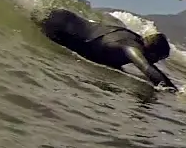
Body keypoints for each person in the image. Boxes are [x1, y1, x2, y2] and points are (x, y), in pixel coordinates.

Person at [37, 8, 177, 91]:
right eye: (158, 59)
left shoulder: (132, 37)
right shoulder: (130, 46)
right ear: (152, 52)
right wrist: (171, 91)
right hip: (62, 27)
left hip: (65, 17)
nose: (155, 62)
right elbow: (146, 67)